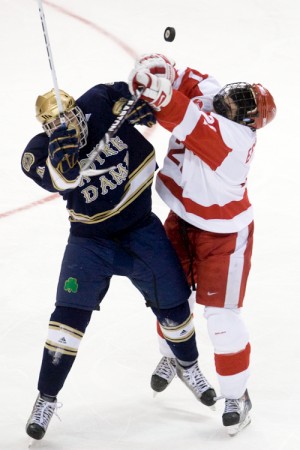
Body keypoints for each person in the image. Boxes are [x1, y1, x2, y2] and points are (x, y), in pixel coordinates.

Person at [21, 81, 218, 441]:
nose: (67, 127)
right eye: (54, 126)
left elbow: (131, 94)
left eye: (72, 118)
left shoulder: (97, 98)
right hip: (90, 242)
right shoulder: (37, 152)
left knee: (174, 305)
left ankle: (187, 365)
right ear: (45, 129)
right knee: (65, 320)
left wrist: (134, 105)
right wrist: (61, 165)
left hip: (140, 228)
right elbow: (58, 180)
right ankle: (46, 398)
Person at [128, 54, 276, 435]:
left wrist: (162, 97)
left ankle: (236, 396)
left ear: (248, 123)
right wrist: (159, 68)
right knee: (171, 299)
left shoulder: (233, 141)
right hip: (184, 217)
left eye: (242, 105)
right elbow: (191, 78)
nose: (231, 101)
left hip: (224, 234)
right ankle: (175, 357)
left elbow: (187, 120)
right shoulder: (220, 99)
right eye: (238, 94)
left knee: (221, 319)